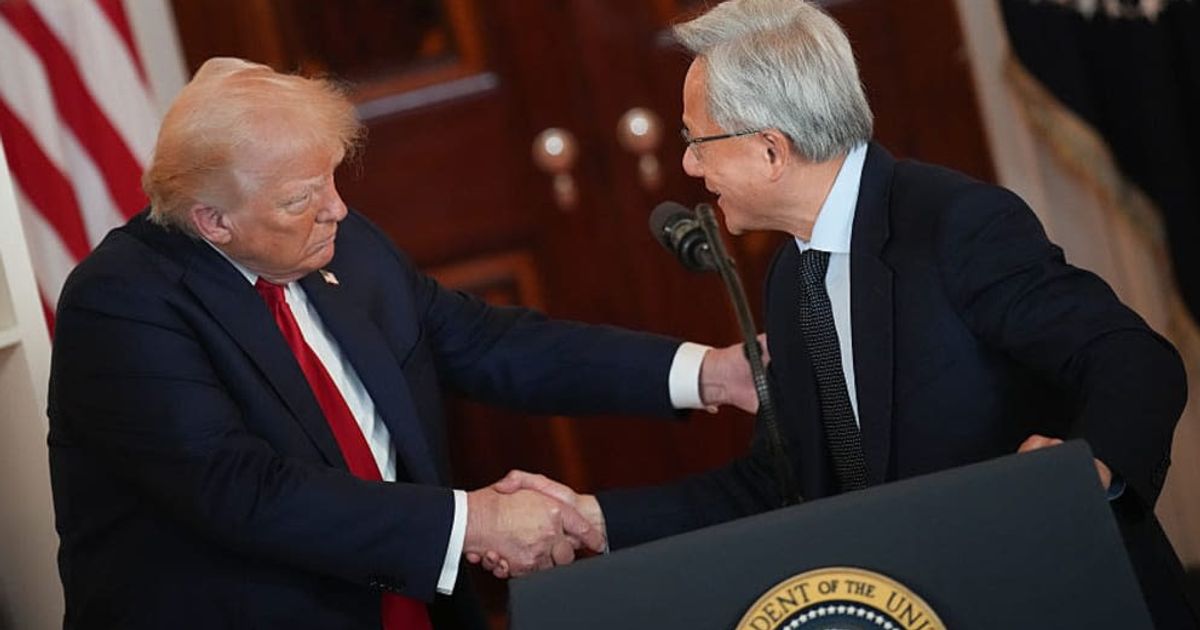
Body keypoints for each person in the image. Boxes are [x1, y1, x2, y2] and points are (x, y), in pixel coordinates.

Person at [490, 0, 1196, 625]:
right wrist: (594, 519)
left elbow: (1131, 359)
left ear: (771, 149)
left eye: (696, 141)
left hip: (1056, 597)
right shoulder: (793, 271)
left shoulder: (955, 226)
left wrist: (1088, 470)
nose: (688, 169)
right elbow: (780, 477)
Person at [46, 57, 759, 629]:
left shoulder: (344, 247)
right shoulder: (122, 304)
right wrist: (471, 522)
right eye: (301, 198)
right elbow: (243, 491)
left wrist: (710, 373)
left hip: (414, 602)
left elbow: (482, 342)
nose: (338, 209)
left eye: (331, 178)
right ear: (213, 222)